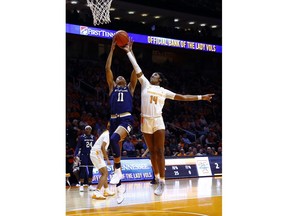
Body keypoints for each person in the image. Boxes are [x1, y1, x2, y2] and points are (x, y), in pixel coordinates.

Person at [122, 42, 214, 196]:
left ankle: (163, 181)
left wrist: (201, 97)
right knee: (152, 152)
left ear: (160, 80)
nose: (153, 75)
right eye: (153, 74)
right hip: (145, 120)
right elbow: (137, 68)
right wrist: (129, 52)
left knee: (159, 151)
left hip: (158, 120)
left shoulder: (164, 91)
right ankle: (157, 178)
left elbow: (183, 97)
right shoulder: (144, 84)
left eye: (156, 75)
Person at [105, 37, 137, 203]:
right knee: (115, 152)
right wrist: (111, 50)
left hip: (126, 119)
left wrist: (130, 52)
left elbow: (135, 71)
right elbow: (107, 68)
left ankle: (118, 173)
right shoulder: (112, 88)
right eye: (117, 77)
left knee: (114, 138)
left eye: (121, 77)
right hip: (114, 120)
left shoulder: (130, 88)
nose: (119, 77)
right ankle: (120, 189)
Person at [90, 122, 115, 200]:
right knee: (105, 173)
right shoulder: (107, 134)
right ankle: (97, 192)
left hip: (96, 154)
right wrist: (107, 158)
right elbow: (102, 147)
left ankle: (106, 190)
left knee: (104, 173)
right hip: (96, 153)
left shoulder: (106, 133)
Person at [74, 125, 96, 192]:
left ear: (91, 130)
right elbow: (78, 147)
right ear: (84, 130)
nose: (88, 130)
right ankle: (81, 185)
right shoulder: (81, 137)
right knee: (82, 170)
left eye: (89, 129)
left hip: (91, 155)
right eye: (86, 129)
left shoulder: (93, 137)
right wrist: (75, 154)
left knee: (90, 170)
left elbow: (95, 147)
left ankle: (90, 185)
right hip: (83, 155)